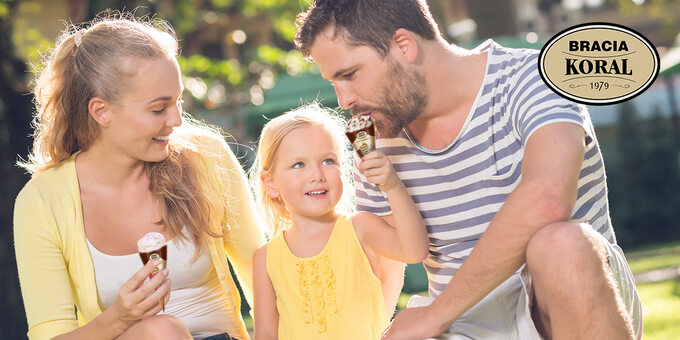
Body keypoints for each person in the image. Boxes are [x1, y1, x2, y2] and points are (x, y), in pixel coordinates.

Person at [295, 1, 643, 339]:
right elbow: (384, 262)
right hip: (464, 324)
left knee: (561, 244)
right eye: (333, 82)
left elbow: (548, 198)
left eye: (350, 75)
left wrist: (435, 314)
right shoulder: (377, 137)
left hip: (565, 299)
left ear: (404, 46)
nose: (344, 100)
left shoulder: (533, 77)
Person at [13, 15, 265, 340]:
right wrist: (119, 318)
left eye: (178, 101)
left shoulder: (206, 158)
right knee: (160, 331)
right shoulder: (43, 202)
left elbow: (264, 279)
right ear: (101, 111)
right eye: (159, 109)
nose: (176, 120)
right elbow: (51, 334)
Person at [249, 103, 428, 339]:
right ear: (270, 184)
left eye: (328, 161)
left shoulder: (361, 229)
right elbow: (266, 335)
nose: (317, 175)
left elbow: (415, 251)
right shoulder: (265, 258)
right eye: (298, 165)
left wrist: (392, 186)